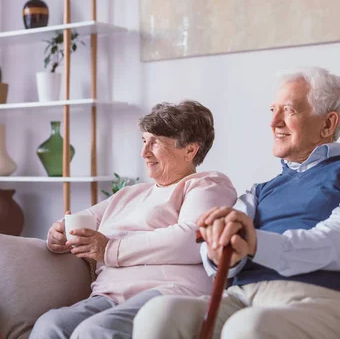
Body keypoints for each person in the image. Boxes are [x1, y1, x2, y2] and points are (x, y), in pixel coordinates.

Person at [134, 67, 340, 339]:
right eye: (272, 110)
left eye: (288, 110)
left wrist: (254, 242)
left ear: (328, 123)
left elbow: (332, 242)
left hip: (316, 297)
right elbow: (218, 259)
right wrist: (219, 248)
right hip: (242, 295)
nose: (273, 122)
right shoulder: (260, 190)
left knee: (247, 328)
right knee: (159, 313)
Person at [29, 101, 237, 339]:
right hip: (109, 295)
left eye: (156, 142)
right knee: (51, 324)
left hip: (168, 293)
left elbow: (193, 238)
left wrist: (110, 248)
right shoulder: (130, 194)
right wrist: (58, 233)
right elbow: (83, 221)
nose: (144, 152)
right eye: (144, 140)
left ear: (190, 150)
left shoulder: (207, 184)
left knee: (95, 332)